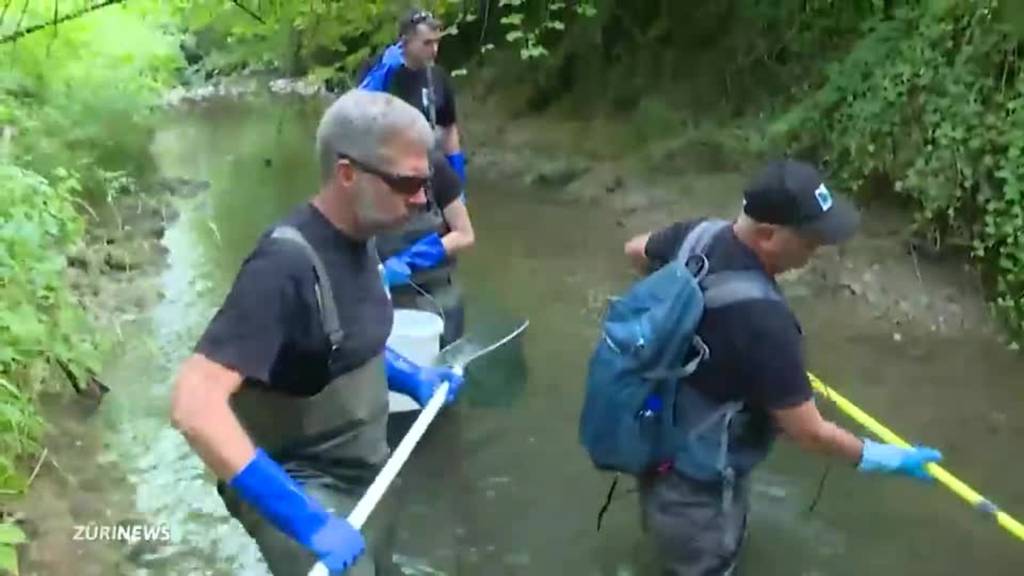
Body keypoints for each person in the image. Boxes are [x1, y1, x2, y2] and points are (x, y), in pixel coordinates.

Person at [169, 89, 466, 576]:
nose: (420, 201)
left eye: (425, 183)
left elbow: (339, 343)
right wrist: (304, 520)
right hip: (298, 480)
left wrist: (414, 378)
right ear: (348, 174)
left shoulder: (365, 239)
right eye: (405, 183)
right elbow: (193, 404)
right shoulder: (283, 265)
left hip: (367, 468)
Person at [620, 159, 943, 575]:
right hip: (697, 495)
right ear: (769, 235)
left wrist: (687, 316)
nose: (818, 248)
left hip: (658, 450)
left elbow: (635, 250)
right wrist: (878, 457)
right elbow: (808, 433)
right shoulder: (765, 323)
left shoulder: (698, 235)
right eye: (810, 239)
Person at [357, 9, 467, 188]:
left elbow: (448, 129)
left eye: (437, 42)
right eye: (427, 43)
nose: (434, 50)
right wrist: (385, 71)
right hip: (383, 171)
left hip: (425, 169)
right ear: (405, 42)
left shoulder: (438, 77)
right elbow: (357, 111)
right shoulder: (377, 68)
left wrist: (457, 175)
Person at [376, 149, 475, 348]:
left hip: (438, 294)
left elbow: (464, 234)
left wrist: (414, 258)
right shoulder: (365, 172)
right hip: (383, 299)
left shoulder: (436, 167)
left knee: (447, 359)